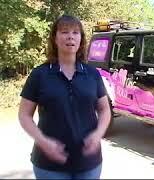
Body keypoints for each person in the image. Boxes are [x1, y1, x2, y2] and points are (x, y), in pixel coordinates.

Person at [18, 14, 111, 179]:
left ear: (81, 39)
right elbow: (24, 115)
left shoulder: (92, 74)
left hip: (88, 163)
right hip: (49, 166)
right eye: (64, 32)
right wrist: (43, 141)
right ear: (55, 38)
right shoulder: (39, 74)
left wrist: (98, 134)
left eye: (76, 32)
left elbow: (104, 109)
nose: (70, 36)